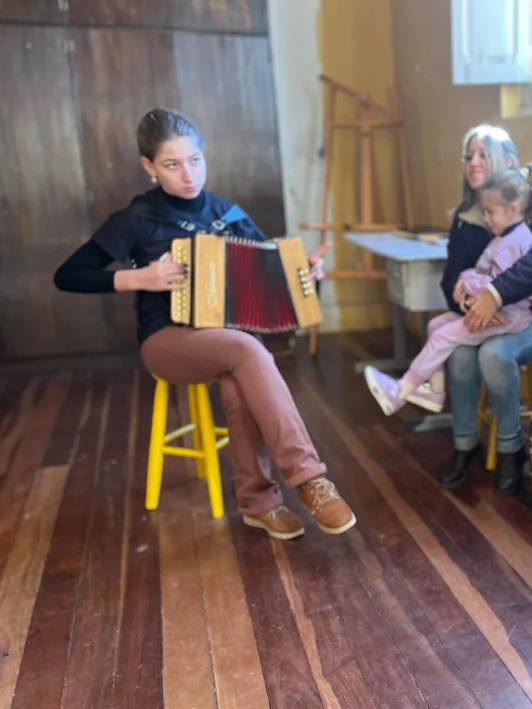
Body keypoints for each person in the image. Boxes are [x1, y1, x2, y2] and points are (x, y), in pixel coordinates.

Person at [53, 107, 356, 542]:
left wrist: (304, 276)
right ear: (149, 167)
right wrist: (141, 277)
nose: (188, 174)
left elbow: (271, 282)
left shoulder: (229, 215)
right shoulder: (136, 220)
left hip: (229, 341)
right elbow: (68, 275)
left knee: (240, 374)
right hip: (167, 339)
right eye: (172, 165)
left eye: (195, 160)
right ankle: (310, 479)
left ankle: (259, 504)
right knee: (247, 351)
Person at [437, 125, 532, 496]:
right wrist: (467, 300)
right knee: (460, 355)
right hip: (486, 321)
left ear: (507, 161)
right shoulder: (467, 218)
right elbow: (452, 275)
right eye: (468, 155)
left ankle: (512, 449)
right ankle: (465, 443)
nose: (473, 162)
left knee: (494, 355)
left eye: (482, 154)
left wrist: (494, 293)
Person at [364, 165, 532, 416]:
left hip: (507, 316)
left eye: (490, 212)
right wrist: (466, 279)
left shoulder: (514, 242)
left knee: (442, 336)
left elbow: (498, 283)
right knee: (435, 326)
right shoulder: (506, 235)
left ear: (513, 209)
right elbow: (486, 277)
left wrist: (467, 282)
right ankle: (434, 392)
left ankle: (400, 392)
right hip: (497, 310)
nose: (485, 218)